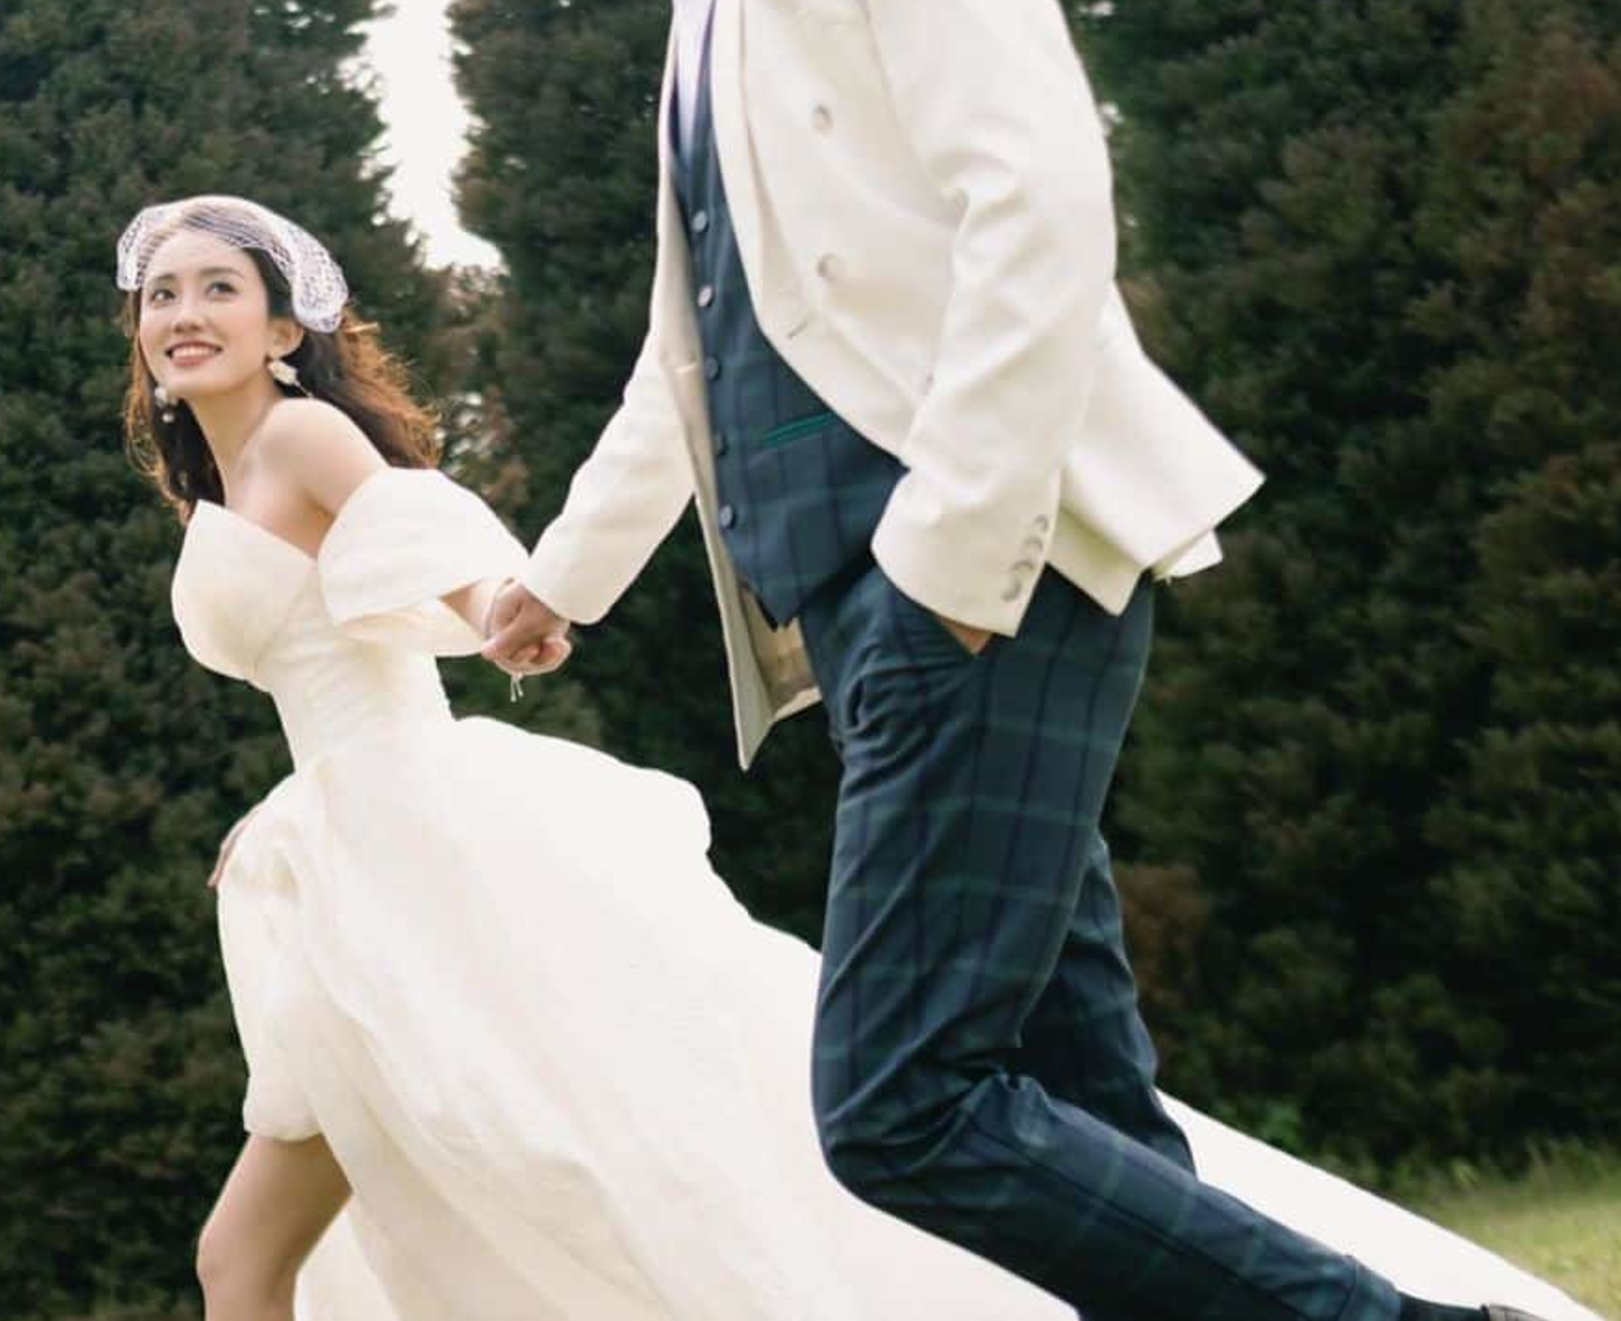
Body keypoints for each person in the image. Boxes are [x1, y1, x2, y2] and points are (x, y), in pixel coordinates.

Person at [468, 0, 1556, 1321]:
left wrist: (951, 564)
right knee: (1086, 1107)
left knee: (898, 1100)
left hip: (972, 577)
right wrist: (565, 581)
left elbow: (1038, 196)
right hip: (882, 608)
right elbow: (704, 344)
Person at [117, 192, 1585, 1321]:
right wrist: (287, 818)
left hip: (432, 855)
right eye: (163, 292)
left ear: (284, 326)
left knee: (592, 1163)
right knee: (255, 1252)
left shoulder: (307, 444)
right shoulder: (211, 485)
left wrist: (517, 605)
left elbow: (432, 560)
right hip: (338, 870)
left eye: (218, 288)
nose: (186, 312)